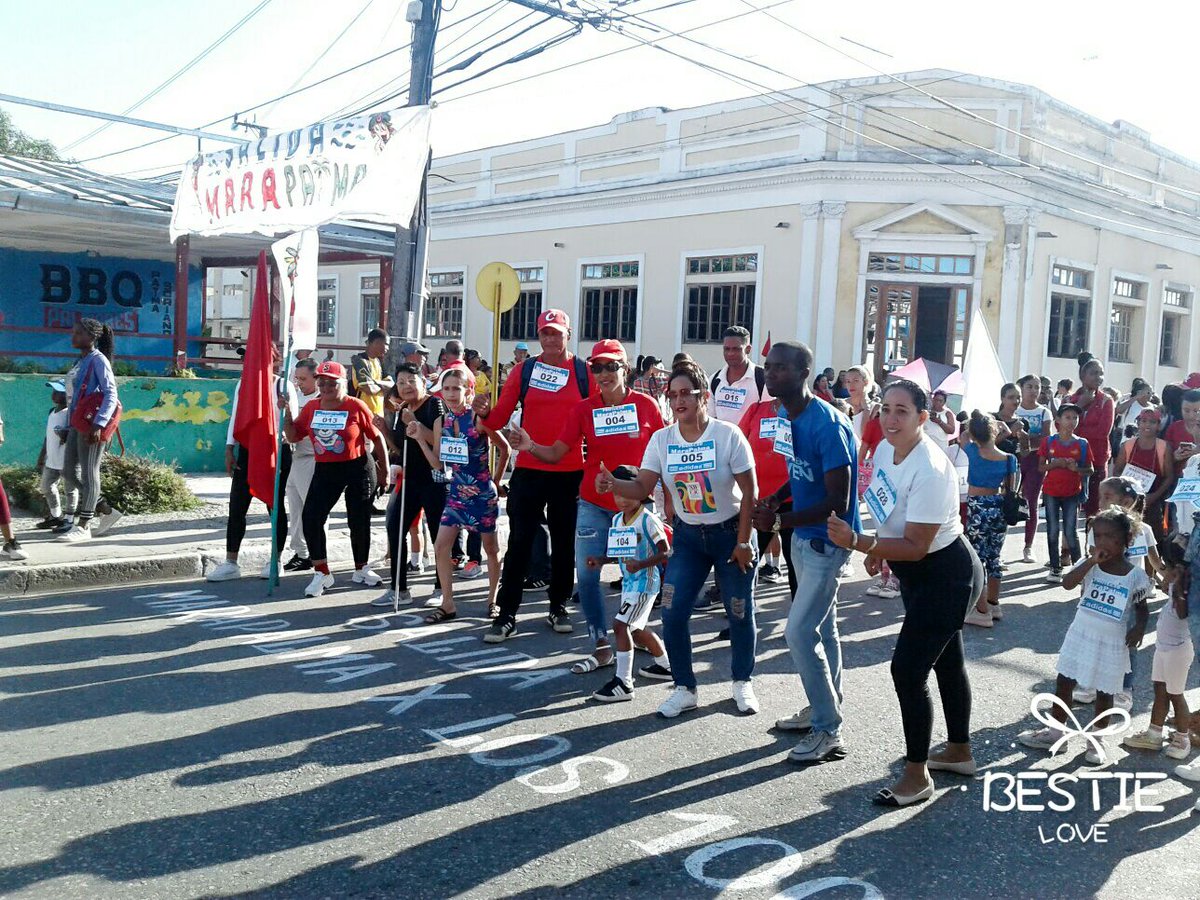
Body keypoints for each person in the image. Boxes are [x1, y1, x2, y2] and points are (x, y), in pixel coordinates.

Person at [827, 379, 982, 806]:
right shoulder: (884, 451)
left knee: (908, 671)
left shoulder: (930, 466)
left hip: (946, 574)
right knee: (947, 661)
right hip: (917, 570)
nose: (891, 419)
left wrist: (864, 544)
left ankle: (917, 776)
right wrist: (879, 545)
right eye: (886, 410)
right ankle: (959, 751)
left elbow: (916, 544)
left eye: (903, 412)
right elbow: (887, 505)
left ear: (923, 418)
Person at [600, 359, 759, 718]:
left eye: (686, 393)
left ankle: (741, 681)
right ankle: (684, 687)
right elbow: (641, 485)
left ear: (704, 396)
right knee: (672, 613)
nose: (679, 401)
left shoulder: (727, 435)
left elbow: (750, 492)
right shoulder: (662, 439)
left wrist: (745, 540)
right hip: (688, 537)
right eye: (672, 395)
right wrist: (613, 482)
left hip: (730, 534)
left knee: (738, 612)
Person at [507, 339, 665, 670]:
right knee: (589, 575)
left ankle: (634, 629)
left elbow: (664, 454)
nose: (603, 373)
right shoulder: (583, 409)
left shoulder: (647, 406)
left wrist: (672, 504)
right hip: (593, 504)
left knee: (636, 576)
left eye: (611, 366)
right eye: (596, 367)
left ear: (625, 368)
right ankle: (601, 643)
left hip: (636, 507)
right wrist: (530, 444)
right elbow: (556, 453)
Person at [754, 342, 859, 762]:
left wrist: (778, 523)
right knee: (824, 629)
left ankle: (827, 729)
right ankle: (823, 708)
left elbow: (839, 500)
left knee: (798, 633)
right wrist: (777, 500)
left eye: (780, 368)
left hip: (826, 541)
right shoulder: (785, 414)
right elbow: (800, 475)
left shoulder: (827, 424)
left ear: (803, 373)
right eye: (768, 367)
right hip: (802, 538)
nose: (770, 374)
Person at [477, 309, 595, 642]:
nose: (550, 338)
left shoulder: (583, 372)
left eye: (556, 333)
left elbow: (595, 419)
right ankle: (507, 613)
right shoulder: (524, 370)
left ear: (569, 334)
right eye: (545, 333)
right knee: (520, 543)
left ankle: (558, 606)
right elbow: (499, 417)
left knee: (563, 544)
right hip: (529, 469)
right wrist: (483, 411)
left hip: (569, 472)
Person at [1018, 507, 1151, 765]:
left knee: (1104, 692)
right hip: (1081, 632)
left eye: (1110, 537)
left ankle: (1096, 739)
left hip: (1112, 640)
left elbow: (1142, 608)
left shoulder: (1135, 575)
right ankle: (1057, 731)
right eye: (1097, 536)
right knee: (1064, 682)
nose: (1102, 542)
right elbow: (1068, 584)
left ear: (1126, 540)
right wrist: (1090, 561)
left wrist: (1139, 628)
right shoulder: (1089, 565)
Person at [282, 360, 389, 598]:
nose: (327, 387)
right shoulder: (312, 407)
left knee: (358, 519)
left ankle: (361, 567)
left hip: (358, 466)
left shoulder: (356, 405)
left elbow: (377, 437)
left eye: (333, 383)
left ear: (343, 383)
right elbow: (293, 436)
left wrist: (385, 470)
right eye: (323, 382)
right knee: (311, 517)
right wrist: (288, 414)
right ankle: (321, 572)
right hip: (326, 469)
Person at [410, 367, 508, 622]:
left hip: (482, 494)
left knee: (491, 549)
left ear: (468, 391)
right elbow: (437, 464)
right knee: (441, 546)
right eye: (447, 388)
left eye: (457, 388)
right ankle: (448, 604)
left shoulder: (478, 418)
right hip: (455, 495)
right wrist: (421, 439)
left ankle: (493, 600)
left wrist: (495, 482)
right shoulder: (441, 421)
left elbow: (505, 448)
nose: (451, 394)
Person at [207, 347, 298, 581]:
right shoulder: (243, 385)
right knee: (237, 506)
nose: (247, 361)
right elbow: (236, 416)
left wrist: (284, 411)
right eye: (245, 358)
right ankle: (231, 562)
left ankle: (275, 560)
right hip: (247, 450)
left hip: (276, 451)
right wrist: (229, 447)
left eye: (253, 356)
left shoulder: (283, 386)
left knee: (274, 506)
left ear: (273, 361)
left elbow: (293, 427)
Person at [586, 464, 673, 702]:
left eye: (628, 493)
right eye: (617, 494)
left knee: (620, 625)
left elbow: (666, 552)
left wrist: (642, 564)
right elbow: (619, 551)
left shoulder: (648, 520)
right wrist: (601, 560)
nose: (622, 500)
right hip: (629, 583)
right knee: (636, 628)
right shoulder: (616, 519)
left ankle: (623, 683)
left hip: (645, 583)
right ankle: (666, 665)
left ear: (641, 493)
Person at [371, 363, 450, 608]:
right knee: (395, 526)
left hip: (435, 478)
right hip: (411, 478)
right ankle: (398, 588)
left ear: (423, 383)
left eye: (411, 381)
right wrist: (385, 431)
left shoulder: (435, 404)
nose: (406, 386)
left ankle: (441, 587)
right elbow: (401, 447)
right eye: (401, 382)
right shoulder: (403, 408)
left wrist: (413, 421)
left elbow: (439, 442)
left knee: (439, 534)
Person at [1123, 542, 1192, 762]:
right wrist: (1170, 582)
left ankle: (1182, 739)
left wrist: (1178, 585)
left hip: (1178, 649)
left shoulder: (1189, 586)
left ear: (1179, 569)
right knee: (1159, 689)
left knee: (1176, 694)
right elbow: (1165, 588)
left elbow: (1182, 614)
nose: (1164, 571)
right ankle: (1154, 734)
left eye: (1167, 567)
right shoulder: (1176, 581)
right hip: (1164, 646)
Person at [56, 318, 123, 542]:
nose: (73, 336)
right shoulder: (80, 360)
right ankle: (104, 508)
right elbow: (74, 399)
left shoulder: (98, 360)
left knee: (89, 472)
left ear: (92, 337)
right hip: (77, 423)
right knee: (66, 472)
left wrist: (99, 424)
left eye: (78, 333)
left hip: (92, 425)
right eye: (73, 332)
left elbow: (111, 394)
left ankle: (84, 525)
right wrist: (67, 426)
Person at [960, 412, 1018, 628]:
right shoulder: (1009, 459)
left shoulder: (973, 451)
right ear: (994, 431)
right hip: (999, 506)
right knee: (994, 557)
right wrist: (999, 427)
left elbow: (963, 436)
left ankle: (981, 610)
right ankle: (994, 604)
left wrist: (977, 426)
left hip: (978, 506)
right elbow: (1011, 488)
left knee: (977, 558)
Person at [738, 391, 797, 596]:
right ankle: (743, 619)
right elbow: (737, 445)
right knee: (747, 562)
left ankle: (800, 625)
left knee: (796, 567)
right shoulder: (756, 410)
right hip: (759, 501)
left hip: (794, 502)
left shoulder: (804, 413)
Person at [1039, 404, 1091, 582]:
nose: (1072, 421)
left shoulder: (1082, 444)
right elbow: (1041, 466)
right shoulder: (1049, 442)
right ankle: (1055, 567)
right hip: (1051, 491)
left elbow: (1089, 470)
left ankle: (1078, 568)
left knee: (1071, 531)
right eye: (1068, 417)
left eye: (1075, 418)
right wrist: (1055, 464)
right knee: (1052, 530)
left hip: (1072, 493)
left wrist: (1075, 468)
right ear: (1058, 421)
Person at [1114, 408, 1172, 545]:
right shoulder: (1127, 446)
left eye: (1152, 422)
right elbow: (1116, 471)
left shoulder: (1164, 447)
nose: (1147, 425)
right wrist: (1126, 491)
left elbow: (1169, 477)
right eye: (1144, 421)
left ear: (1159, 426)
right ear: (1138, 423)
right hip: (1128, 500)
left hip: (1152, 499)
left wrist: (1154, 496)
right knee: (1126, 537)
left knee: (1153, 540)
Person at [282, 358, 319, 572]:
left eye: (303, 379)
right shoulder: (294, 396)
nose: (299, 383)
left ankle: (316, 552)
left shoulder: (321, 399)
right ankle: (301, 552)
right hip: (295, 459)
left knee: (313, 510)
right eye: (297, 378)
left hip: (312, 459)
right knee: (295, 509)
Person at [1068, 355, 1115, 517]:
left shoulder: (1106, 401)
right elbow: (1062, 427)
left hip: (1096, 460)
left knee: (1095, 509)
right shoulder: (1070, 400)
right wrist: (1079, 405)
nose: (1098, 377)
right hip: (1070, 458)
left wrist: (1077, 431)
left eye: (1101, 373)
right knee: (1069, 507)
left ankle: (1093, 541)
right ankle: (1068, 542)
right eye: (1094, 373)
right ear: (1083, 376)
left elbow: (1102, 433)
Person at [1014, 374, 1052, 563]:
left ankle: (1028, 546)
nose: (1034, 391)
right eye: (1030, 386)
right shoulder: (1014, 409)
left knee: (1031, 501)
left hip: (1036, 459)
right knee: (1009, 499)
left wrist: (1026, 439)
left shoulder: (1044, 412)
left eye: (1037, 387)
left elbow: (1046, 438)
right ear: (1021, 388)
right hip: (1015, 458)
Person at [35, 380, 75, 531]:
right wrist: (42, 456)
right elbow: (47, 437)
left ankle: (69, 519)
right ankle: (56, 516)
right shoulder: (52, 411)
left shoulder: (71, 414)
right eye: (53, 391)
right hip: (52, 459)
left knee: (71, 490)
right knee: (46, 486)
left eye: (58, 392)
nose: (54, 395)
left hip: (67, 460)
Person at [709, 326, 767, 425]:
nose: (730, 353)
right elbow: (710, 417)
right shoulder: (715, 380)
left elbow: (768, 414)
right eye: (727, 349)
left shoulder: (763, 378)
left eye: (736, 349)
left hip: (750, 439)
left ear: (748, 349)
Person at [350, 328, 394, 418]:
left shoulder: (378, 362)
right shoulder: (360, 361)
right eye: (386, 344)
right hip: (362, 414)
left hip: (378, 415)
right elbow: (369, 389)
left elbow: (391, 384)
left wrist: (375, 382)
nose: (388, 348)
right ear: (376, 342)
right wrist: (383, 388)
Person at [922, 389, 956, 455]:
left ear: (944, 402)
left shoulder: (947, 414)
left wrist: (939, 422)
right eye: (936, 400)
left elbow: (951, 430)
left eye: (940, 401)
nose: (937, 402)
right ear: (932, 399)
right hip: (925, 444)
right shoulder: (925, 412)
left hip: (940, 446)